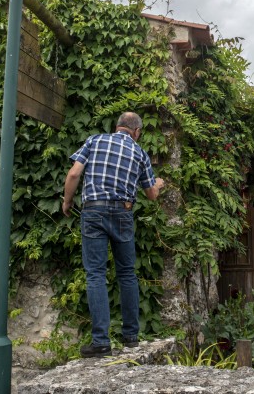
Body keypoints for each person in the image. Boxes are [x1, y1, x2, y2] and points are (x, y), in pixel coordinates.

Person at [62, 112, 165, 358]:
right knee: (127, 273)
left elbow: (74, 174)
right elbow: (151, 194)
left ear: (117, 126)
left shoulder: (94, 140)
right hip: (123, 213)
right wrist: (159, 184)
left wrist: (67, 201)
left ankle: (101, 342)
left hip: (93, 211)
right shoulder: (140, 153)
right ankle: (131, 336)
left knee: (95, 274)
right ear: (137, 132)